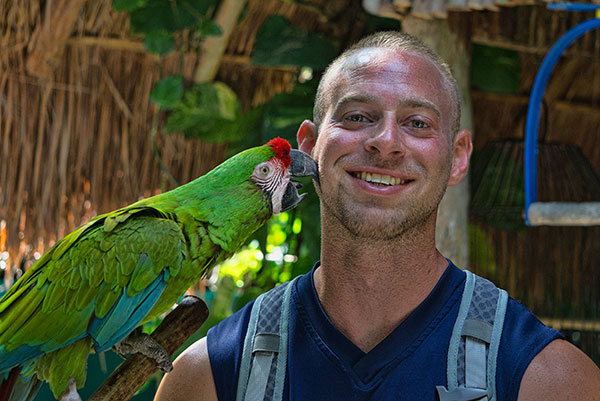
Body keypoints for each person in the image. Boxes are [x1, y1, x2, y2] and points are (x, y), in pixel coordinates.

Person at [155, 31, 600, 400]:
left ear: (458, 157)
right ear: (308, 146)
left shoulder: (550, 380)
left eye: (418, 123)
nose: (385, 142)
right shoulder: (207, 379)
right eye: (357, 116)